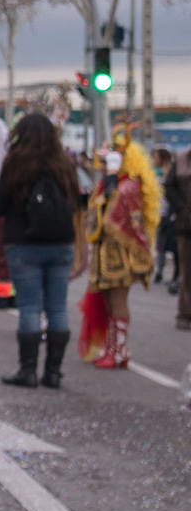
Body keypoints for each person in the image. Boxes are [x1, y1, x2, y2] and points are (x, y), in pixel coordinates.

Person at [0, 113, 80, 389]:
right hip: (61, 244)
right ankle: (53, 373)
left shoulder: (16, 163)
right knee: (58, 309)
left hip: (23, 244)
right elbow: (76, 200)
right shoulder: (65, 164)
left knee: (29, 309)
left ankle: (27, 372)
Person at [78, 121, 162, 369]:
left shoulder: (129, 185)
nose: (103, 167)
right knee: (107, 300)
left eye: (108, 162)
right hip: (105, 253)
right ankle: (114, 348)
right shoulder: (109, 184)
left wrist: (113, 177)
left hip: (122, 254)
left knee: (117, 300)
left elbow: (116, 214)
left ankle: (120, 351)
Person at [163, 145, 191, 330]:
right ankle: (185, 314)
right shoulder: (182, 159)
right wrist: (182, 208)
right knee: (187, 272)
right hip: (186, 227)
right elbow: (168, 186)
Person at [153, 147, 179, 286]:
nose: (154, 160)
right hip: (159, 212)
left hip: (169, 213)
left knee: (173, 246)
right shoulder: (156, 173)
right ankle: (159, 271)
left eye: (156, 157)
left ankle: (176, 275)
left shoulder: (170, 172)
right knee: (160, 244)